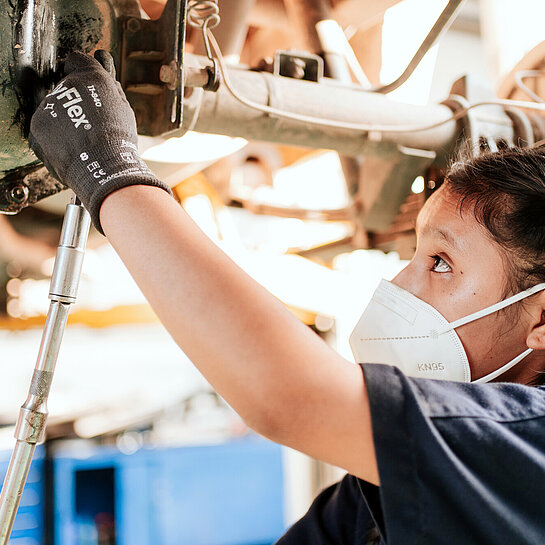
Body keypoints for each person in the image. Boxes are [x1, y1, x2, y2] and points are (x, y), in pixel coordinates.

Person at [28, 52, 545, 544]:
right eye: (413, 255)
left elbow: (288, 394)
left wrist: (110, 172)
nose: (400, 287)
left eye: (440, 263)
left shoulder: (532, 450)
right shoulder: (379, 500)